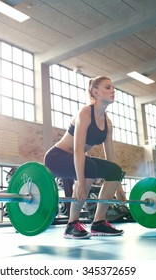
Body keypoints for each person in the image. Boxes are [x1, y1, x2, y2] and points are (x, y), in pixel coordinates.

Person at [44, 76, 126, 239]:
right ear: (95, 92)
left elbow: (111, 156)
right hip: (57, 158)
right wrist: (81, 182)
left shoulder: (108, 123)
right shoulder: (85, 113)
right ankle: (71, 225)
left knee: (115, 170)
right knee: (90, 167)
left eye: (113, 88)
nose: (113, 91)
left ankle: (99, 222)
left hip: (77, 158)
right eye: (108, 87)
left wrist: (119, 188)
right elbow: (79, 150)